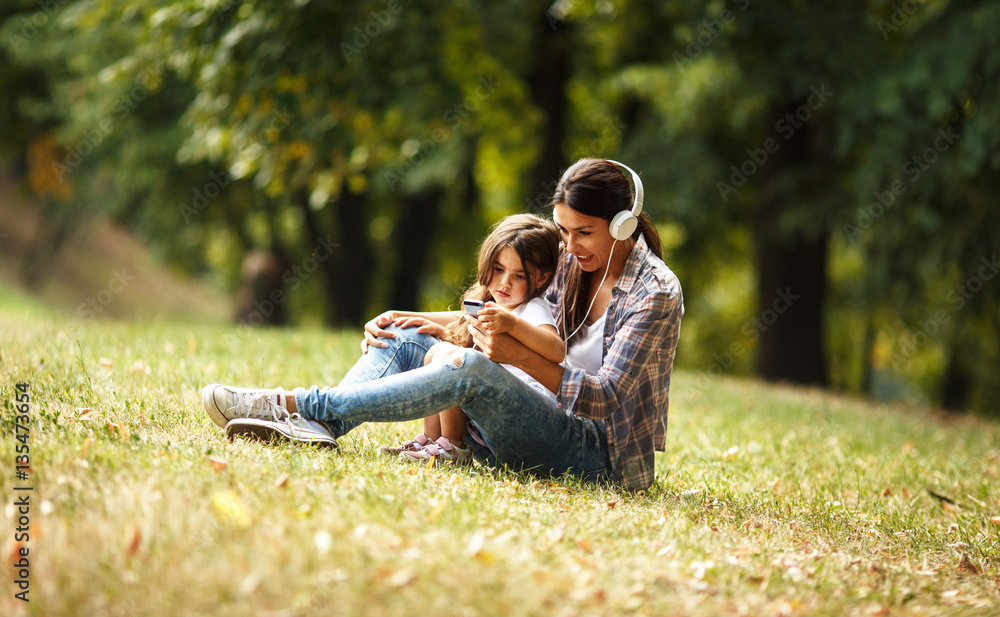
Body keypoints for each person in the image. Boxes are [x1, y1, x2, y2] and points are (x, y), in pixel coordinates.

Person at [202, 158, 683, 491]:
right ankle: (321, 424)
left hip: (594, 454)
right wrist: (414, 319)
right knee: (412, 337)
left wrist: (515, 356)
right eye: (562, 230)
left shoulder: (655, 293)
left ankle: (292, 405)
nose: (569, 244)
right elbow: (508, 313)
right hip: (523, 414)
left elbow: (605, 397)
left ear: (624, 224)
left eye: (583, 232)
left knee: (470, 368)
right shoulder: (572, 259)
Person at [380, 213, 565, 464]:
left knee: (451, 358)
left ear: (541, 279)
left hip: (524, 419)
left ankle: (454, 447)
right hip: (492, 416)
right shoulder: (492, 305)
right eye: (498, 269)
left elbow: (557, 351)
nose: (505, 283)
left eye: (519, 276)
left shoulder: (532, 309)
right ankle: (432, 440)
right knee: (439, 352)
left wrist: (513, 324)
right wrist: (440, 329)